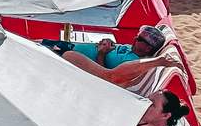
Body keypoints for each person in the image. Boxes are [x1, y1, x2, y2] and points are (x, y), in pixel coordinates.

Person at [38, 24, 176, 87]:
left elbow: (106, 76)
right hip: (70, 46)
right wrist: (107, 43)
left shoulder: (132, 61)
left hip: (68, 57)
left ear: (148, 48)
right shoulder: (132, 49)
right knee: (35, 42)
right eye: (137, 36)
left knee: (33, 48)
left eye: (140, 39)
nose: (135, 39)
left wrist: (101, 53)